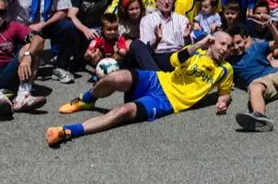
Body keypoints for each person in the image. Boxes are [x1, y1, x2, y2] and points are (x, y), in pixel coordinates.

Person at [46, 33, 233, 147]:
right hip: (158, 80)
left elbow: (225, 93)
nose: (225, 49)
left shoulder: (225, 70)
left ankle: (68, 131)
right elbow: (174, 61)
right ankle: (87, 99)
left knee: (123, 111)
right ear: (212, 42)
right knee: (114, 77)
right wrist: (199, 44)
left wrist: (223, 102)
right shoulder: (194, 51)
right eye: (222, 44)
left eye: (229, 46)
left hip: (167, 102)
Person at [128, 0, 191, 71]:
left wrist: (187, 38)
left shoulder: (182, 19)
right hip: (157, 58)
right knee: (135, 44)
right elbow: (146, 49)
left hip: (177, 57)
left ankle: (158, 77)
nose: (166, 2)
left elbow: (189, 47)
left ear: (173, 1)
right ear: (156, 1)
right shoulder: (147, 20)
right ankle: (157, 76)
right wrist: (157, 40)